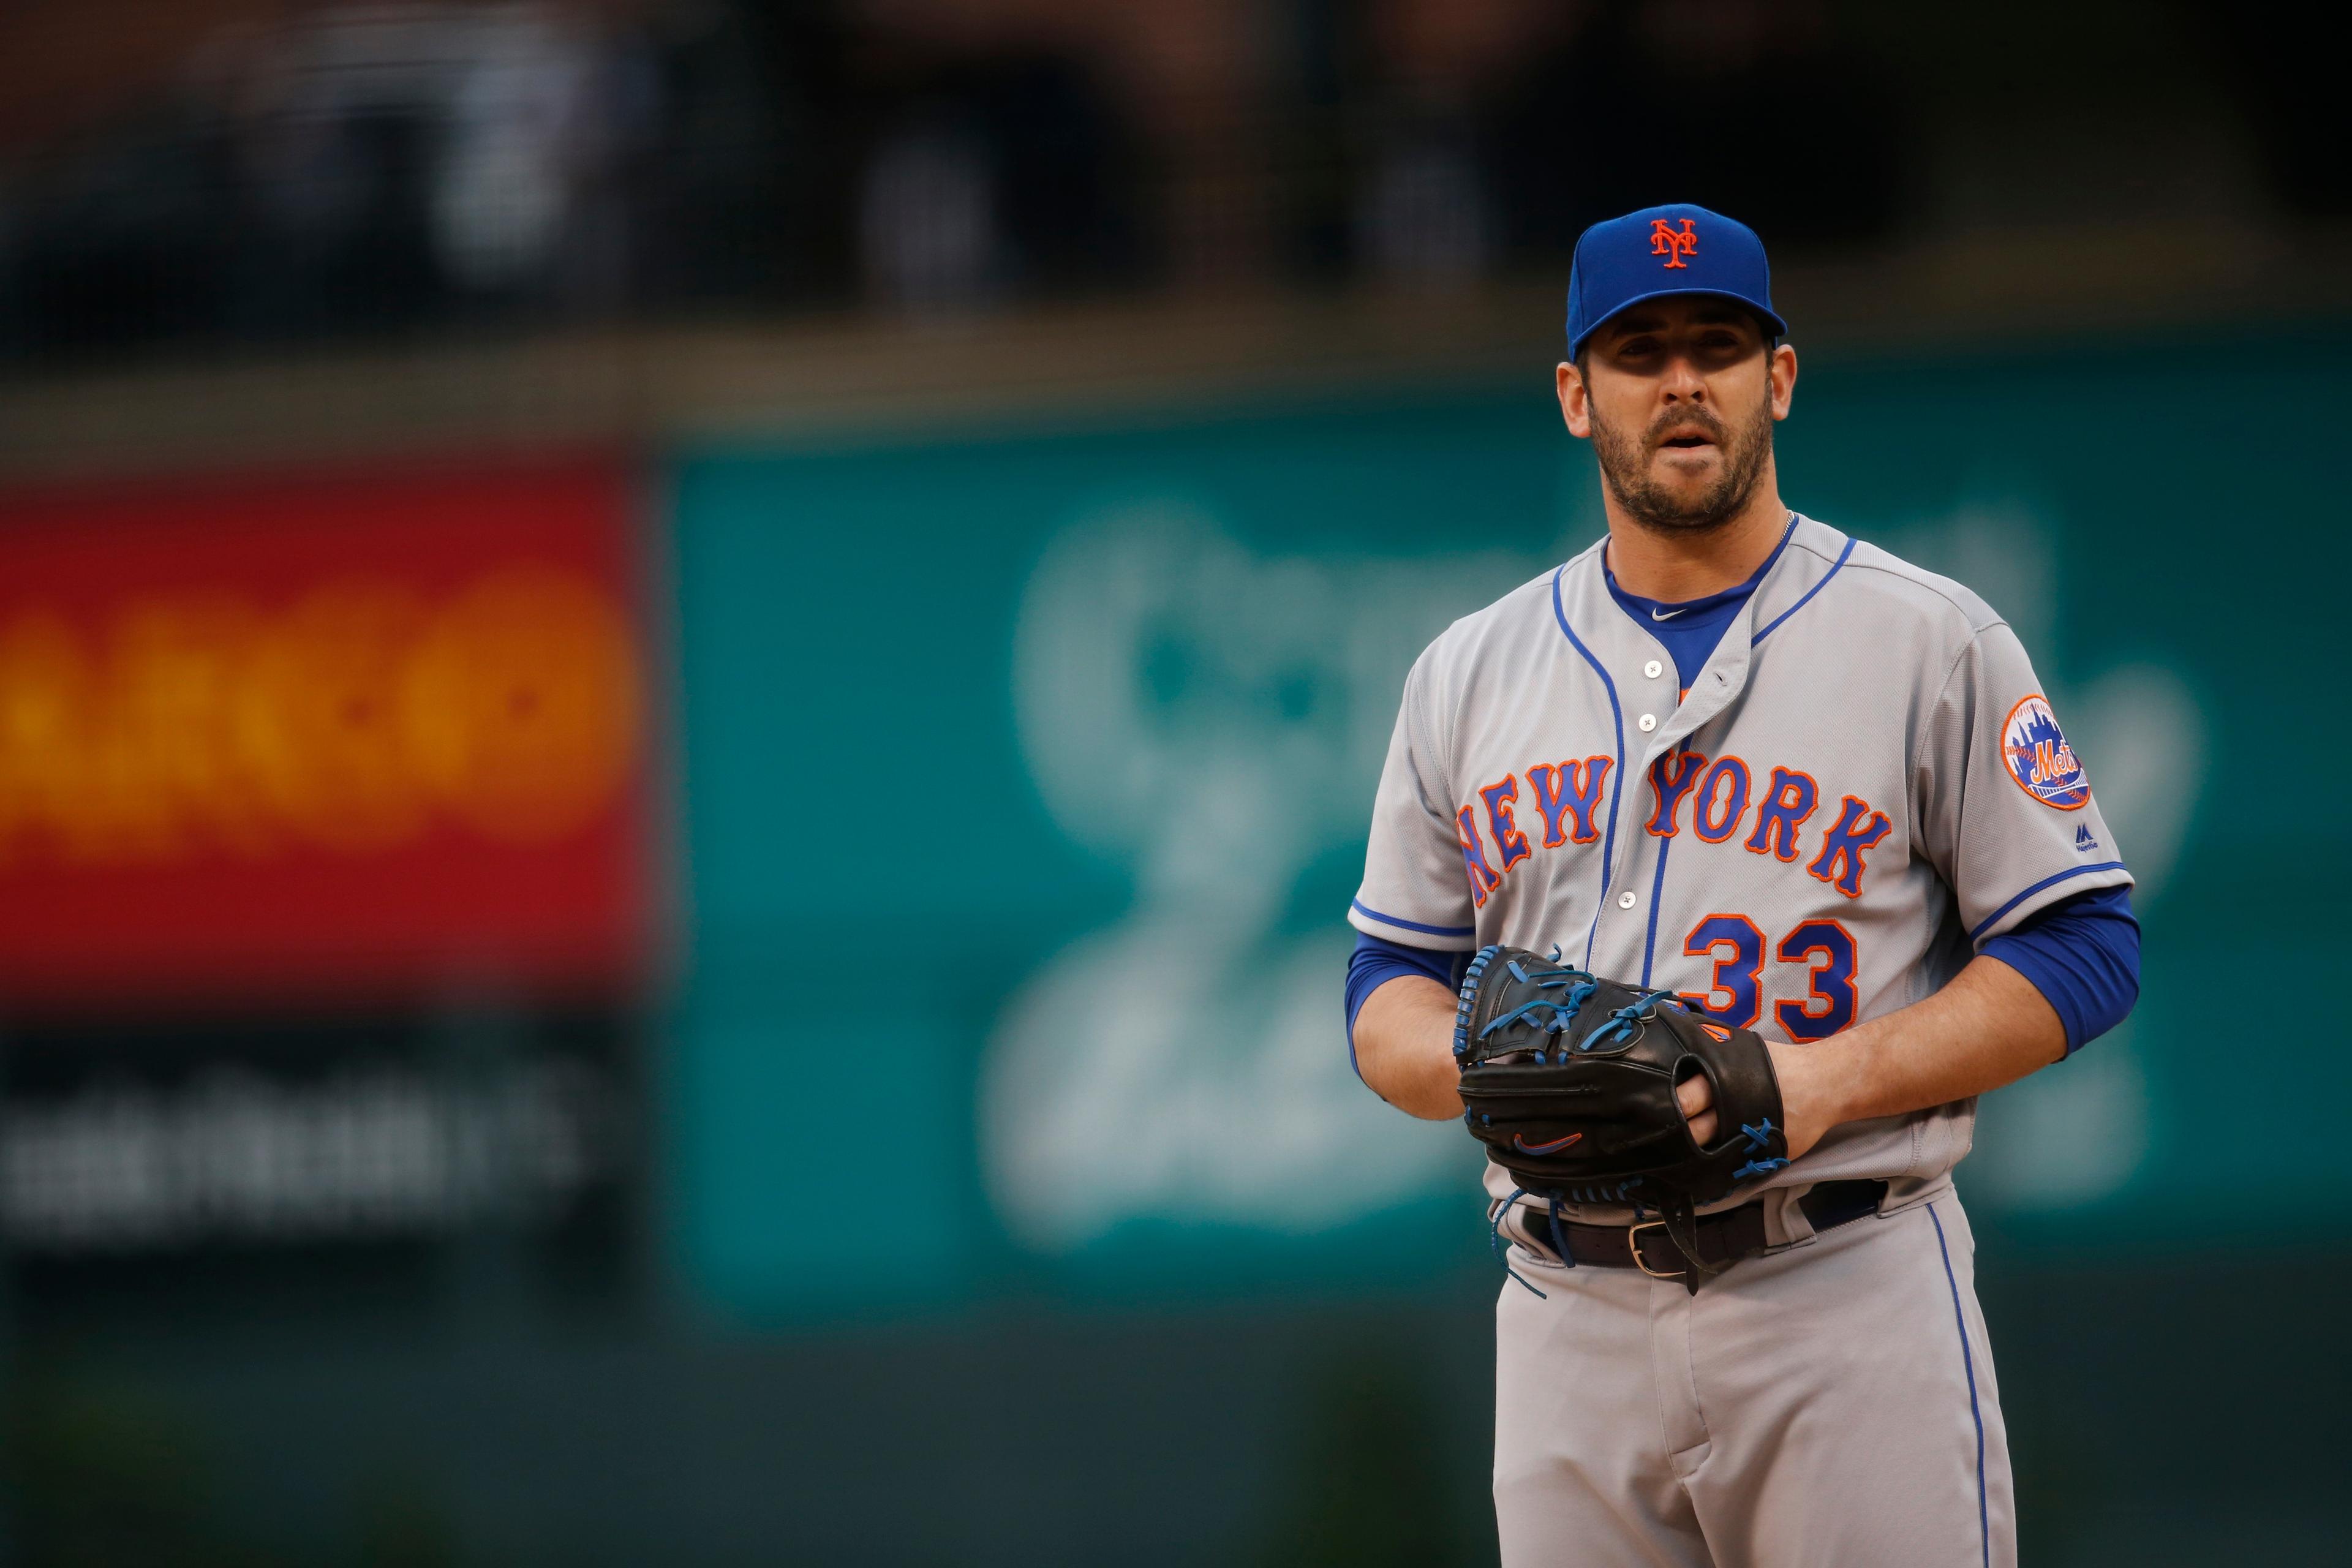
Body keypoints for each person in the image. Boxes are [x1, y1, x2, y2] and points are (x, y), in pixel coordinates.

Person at [1341, 203, 2138, 1567]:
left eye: (1717, 342)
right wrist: (1480, 1070)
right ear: (1576, 396)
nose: (1680, 379)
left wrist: (1824, 1076)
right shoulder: (1468, 672)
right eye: (1639, 350)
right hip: (1564, 1305)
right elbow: (1388, 981)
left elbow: (2085, 947)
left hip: (1841, 1281)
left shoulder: (1927, 638)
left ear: (1778, 376)